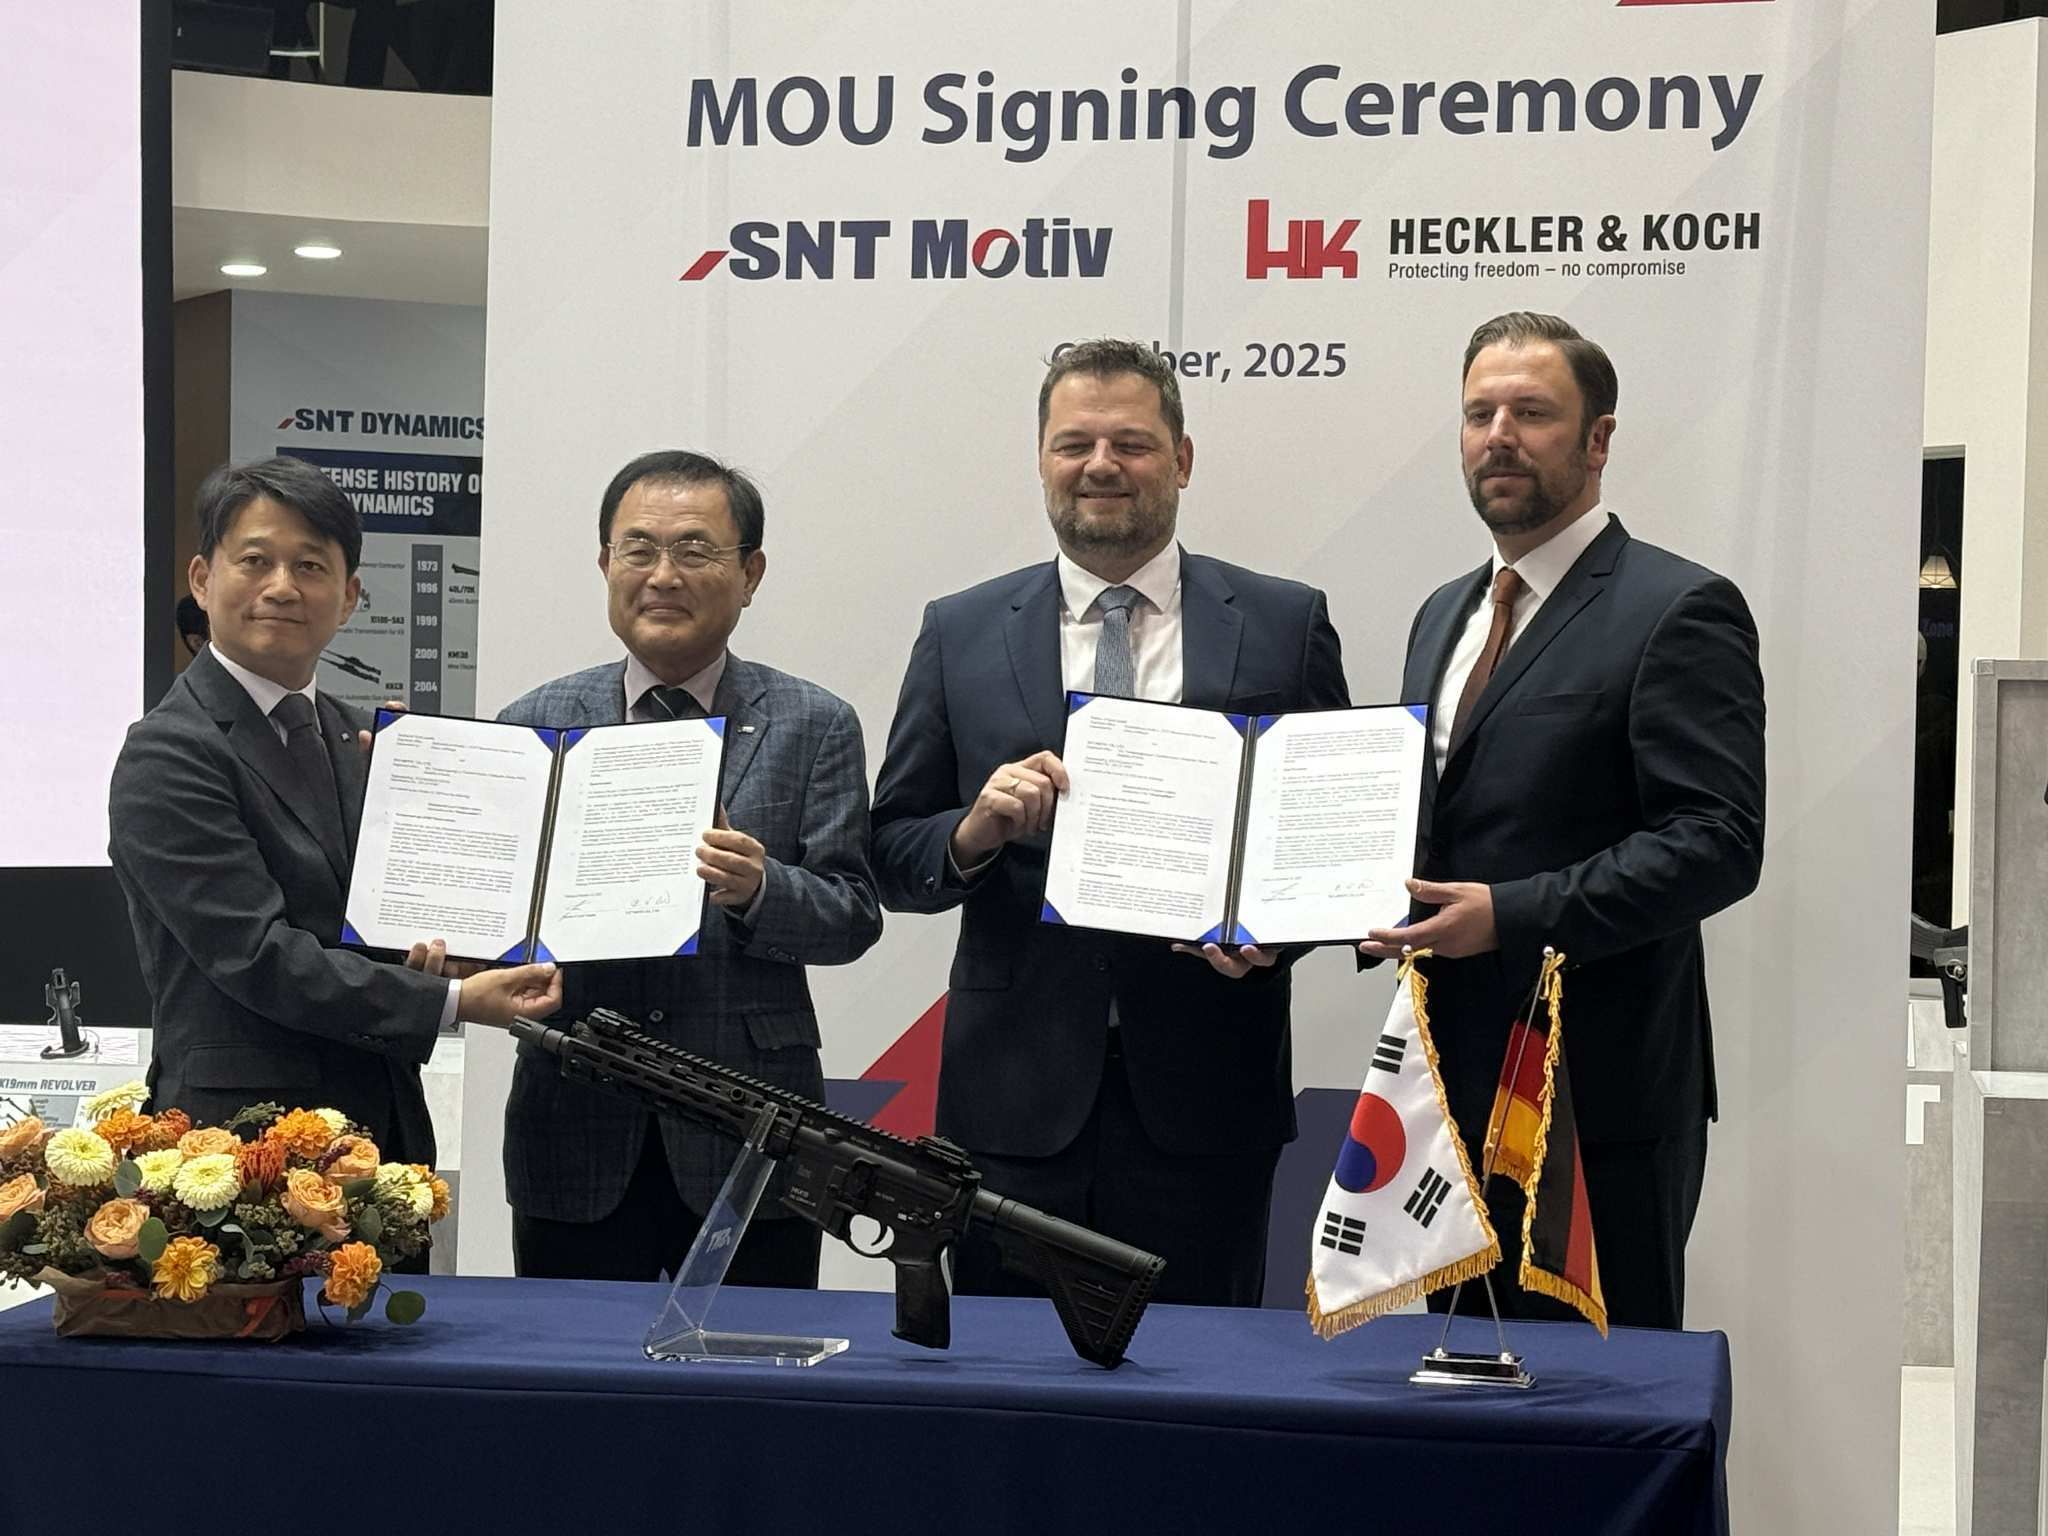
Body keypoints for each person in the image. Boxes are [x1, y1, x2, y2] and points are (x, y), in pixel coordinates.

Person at [871, 339, 1351, 1306]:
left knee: (1201, 1377)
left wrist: (1272, 938)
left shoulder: (1283, 621)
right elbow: (890, 852)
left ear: (1182, 458)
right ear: (1041, 459)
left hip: (1210, 1097)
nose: (1101, 465)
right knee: (1006, 1378)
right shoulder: (960, 629)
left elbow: (1330, 839)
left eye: (1131, 442)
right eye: (1074, 443)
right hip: (1012, 1107)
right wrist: (975, 831)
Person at [1358, 312, 1766, 1330]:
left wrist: (1509, 915)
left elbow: (1716, 841)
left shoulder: (1677, 607)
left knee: (1601, 1396)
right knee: (1456, 1390)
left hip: (1595, 1103)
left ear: (1597, 440)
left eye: (1531, 413)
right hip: (1446, 1094)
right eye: (1478, 415)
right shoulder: (1442, 613)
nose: (1498, 436)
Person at [496, 450, 881, 1286]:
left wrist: (762, 888)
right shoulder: (533, 724)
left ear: (750, 574)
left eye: (695, 550)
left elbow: (853, 915)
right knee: (569, 1360)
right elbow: (499, 916)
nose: (663, 575)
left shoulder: (814, 723)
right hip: (576, 1124)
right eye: (638, 549)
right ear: (606, 564)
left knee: (755, 1362)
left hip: (750, 1126)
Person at [109, 457, 562, 1162]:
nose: (282, 587)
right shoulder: (168, 751)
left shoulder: (364, 740)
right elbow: (255, 955)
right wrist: (454, 1001)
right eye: (255, 560)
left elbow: (379, 921)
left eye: (310, 566)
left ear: (349, 597)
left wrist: (456, 942)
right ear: (202, 580)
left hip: (381, 1124)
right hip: (245, 1149)